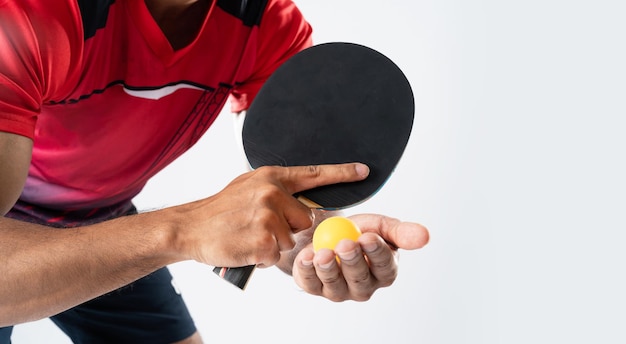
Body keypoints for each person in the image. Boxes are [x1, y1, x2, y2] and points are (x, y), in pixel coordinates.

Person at [0, 0, 430, 343]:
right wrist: (183, 230)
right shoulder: (32, 15)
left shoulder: (267, 23)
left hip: (103, 218)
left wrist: (311, 241)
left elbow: (290, 192)